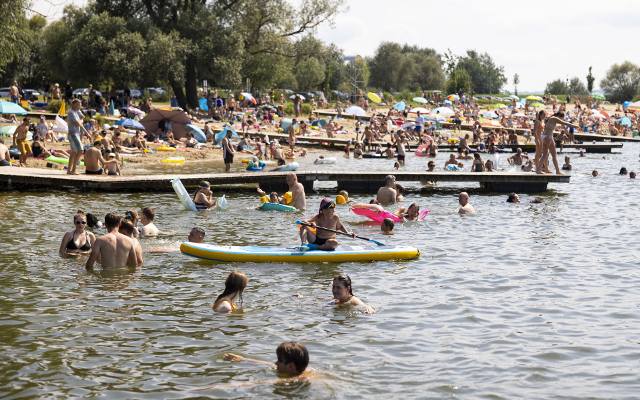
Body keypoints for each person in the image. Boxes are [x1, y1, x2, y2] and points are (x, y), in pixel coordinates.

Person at [224, 342, 310, 378]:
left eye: (279, 360)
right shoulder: (304, 370)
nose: (276, 363)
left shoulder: (292, 380)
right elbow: (270, 364)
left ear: (291, 366)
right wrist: (243, 359)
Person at [67, 99, 88, 175]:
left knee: (73, 153)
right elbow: (77, 123)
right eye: (79, 104)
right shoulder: (71, 112)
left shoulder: (77, 111)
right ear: (74, 104)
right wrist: (80, 121)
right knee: (80, 150)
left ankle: (70, 170)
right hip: (73, 134)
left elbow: (83, 117)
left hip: (76, 134)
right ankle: (73, 170)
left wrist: (80, 121)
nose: (80, 106)